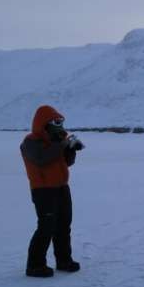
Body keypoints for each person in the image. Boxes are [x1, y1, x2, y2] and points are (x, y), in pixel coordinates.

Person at [20, 105, 85, 277]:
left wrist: (70, 149)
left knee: (63, 226)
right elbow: (41, 159)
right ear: (44, 123)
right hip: (43, 191)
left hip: (62, 187)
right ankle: (34, 265)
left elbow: (65, 162)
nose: (60, 125)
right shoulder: (30, 142)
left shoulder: (55, 140)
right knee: (46, 227)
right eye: (56, 121)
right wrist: (62, 144)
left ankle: (64, 261)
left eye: (61, 122)